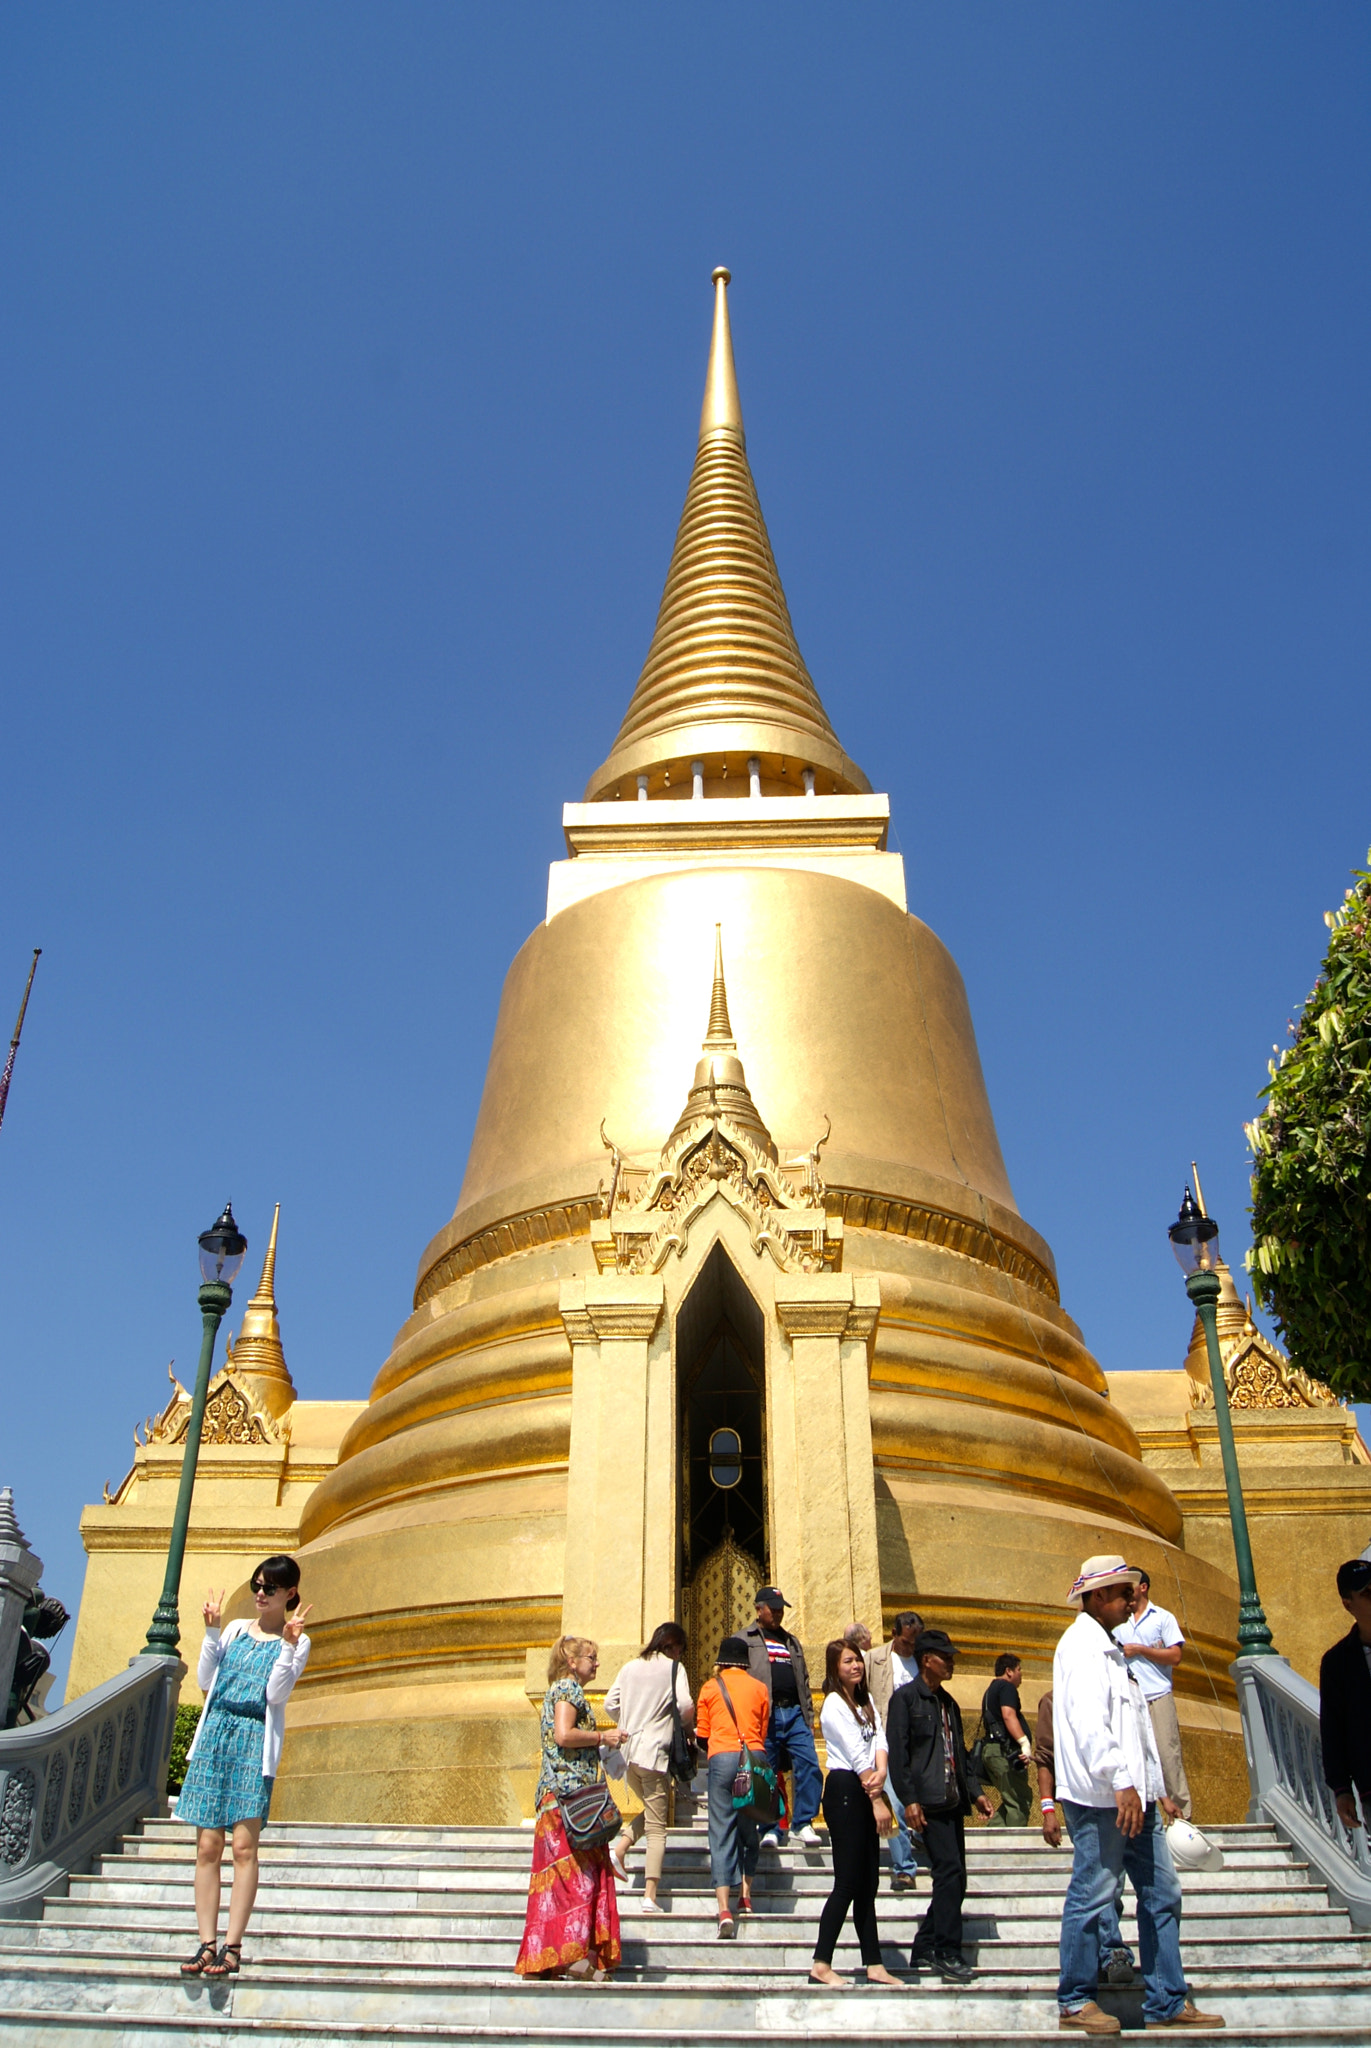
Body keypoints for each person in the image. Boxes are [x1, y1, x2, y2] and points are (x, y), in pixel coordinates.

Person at [1053, 1555, 1221, 2037]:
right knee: (1093, 1894)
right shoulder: (1082, 1647)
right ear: (1100, 1596)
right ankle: (1075, 1999)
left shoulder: (1112, 1649)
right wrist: (1121, 1780)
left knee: (1161, 1892)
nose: (1133, 1599)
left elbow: (1137, 1728)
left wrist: (1156, 1789)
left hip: (1138, 1796)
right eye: (1126, 1592)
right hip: (1103, 1797)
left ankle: (1167, 1998)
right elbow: (1090, 1724)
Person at [176, 1556, 312, 1981]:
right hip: (215, 1735)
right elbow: (205, 1681)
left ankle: (232, 1946)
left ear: (289, 1594)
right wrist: (212, 1631)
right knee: (207, 1847)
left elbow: (275, 1695)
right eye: (257, 1585)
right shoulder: (235, 1630)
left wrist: (289, 1645)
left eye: (270, 1588)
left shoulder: (297, 1643)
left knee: (243, 1847)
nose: (260, 1594)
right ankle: (206, 1943)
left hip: (253, 1740)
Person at [885, 1627, 993, 1984]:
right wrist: (909, 1800)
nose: (950, 1663)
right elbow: (899, 1755)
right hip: (927, 1801)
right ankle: (947, 1952)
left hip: (951, 1799)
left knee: (955, 1877)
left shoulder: (948, 1704)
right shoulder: (905, 1700)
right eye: (944, 1657)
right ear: (926, 1660)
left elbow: (957, 1755)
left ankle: (927, 1942)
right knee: (949, 1874)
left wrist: (975, 1791)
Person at [515, 1636, 625, 1979]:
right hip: (571, 1801)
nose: (596, 1664)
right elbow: (564, 1735)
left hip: (557, 1800)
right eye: (591, 1657)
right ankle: (574, 1957)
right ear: (572, 1662)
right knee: (576, 1879)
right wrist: (601, 1737)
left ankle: (550, 1958)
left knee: (559, 1882)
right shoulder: (568, 1689)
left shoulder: (558, 1690)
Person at [809, 1640, 904, 1988]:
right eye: (848, 1661)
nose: (856, 1667)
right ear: (835, 1667)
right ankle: (821, 1962)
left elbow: (879, 1738)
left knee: (869, 1883)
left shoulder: (864, 1701)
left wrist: (881, 1773)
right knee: (848, 1881)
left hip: (868, 1785)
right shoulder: (834, 1704)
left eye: (858, 1660)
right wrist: (877, 1798)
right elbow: (852, 1750)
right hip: (847, 1790)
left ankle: (874, 1963)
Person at [1034, 1686, 1136, 1989]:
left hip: (1121, 1799)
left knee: (1115, 1881)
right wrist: (1048, 1810)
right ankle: (1112, 1951)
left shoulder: (1116, 1694)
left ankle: (1097, 1949)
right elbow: (1044, 1758)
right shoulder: (1053, 1700)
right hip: (1083, 1802)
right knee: (1101, 1875)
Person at [603, 1622, 695, 1912]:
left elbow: (609, 1703)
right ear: (673, 1646)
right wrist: (682, 1728)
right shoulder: (673, 1669)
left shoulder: (630, 1667)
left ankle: (619, 1849)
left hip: (628, 1753)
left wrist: (628, 1720)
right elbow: (686, 1707)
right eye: (679, 1648)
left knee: (654, 1812)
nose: (679, 1654)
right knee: (658, 1829)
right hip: (655, 1753)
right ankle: (649, 1895)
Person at [695, 1634, 771, 1938]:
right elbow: (763, 1731)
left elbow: (702, 1734)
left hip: (722, 1759)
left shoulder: (710, 1688)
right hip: (754, 1758)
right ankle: (747, 1895)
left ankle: (724, 1907)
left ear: (721, 1661)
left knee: (721, 1829)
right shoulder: (760, 1688)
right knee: (749, 1829)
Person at [743, 1587, 822, 1848]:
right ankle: (770, 1827)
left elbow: (804, 1680)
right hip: (765, 1715)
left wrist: (809, 1718)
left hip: (795, 1713)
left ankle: (803, 1822)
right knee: (766, 1770)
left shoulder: (791, 1642)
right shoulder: (746, 1640)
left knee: (809, 1763)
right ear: (758, 1609)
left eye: (780, 1610)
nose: (777, 1614)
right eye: (772, 1609)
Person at [1113, 1570, 1192, 1819]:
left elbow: (1176, 1656)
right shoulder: (1119, 1620)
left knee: (1168, 1757)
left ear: (1143, 1587)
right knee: (1133, 1757)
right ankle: (1142, 1818)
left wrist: (1141, 1650)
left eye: (1131, 1586)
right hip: (1129, 1696)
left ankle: (1183, 1818)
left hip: (1158, 1694)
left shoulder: (1162, 1618)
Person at [866, 1610, 923, 1890]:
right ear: (894, 1634)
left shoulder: (924, 1662)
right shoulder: (874, 1660)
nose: (911, 1648)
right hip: (887, 1743)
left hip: (920, 1744)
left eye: (915, 1642)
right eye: (906, 1642)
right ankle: (904, 1867)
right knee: (893, 1803)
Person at [1320, 1558, 1371, 1832]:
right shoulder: (1337, 1663)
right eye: (1366, 1593)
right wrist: (1341, 1789)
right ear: (1348, 1604)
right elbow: (1333, 1729)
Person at [981, 1652, 1033, 1827]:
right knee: (1020, 1801)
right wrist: (1024, 1743)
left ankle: (989, 1841)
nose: (1021, 1675)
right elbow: (1009, 1715)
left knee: (1012, 1800)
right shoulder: (1006, 1687)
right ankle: (1013, 1851)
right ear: (1009, 1671)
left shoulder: (990, 1690)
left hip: (992, 1751)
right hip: (1004, 1752)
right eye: (1019, 1670)